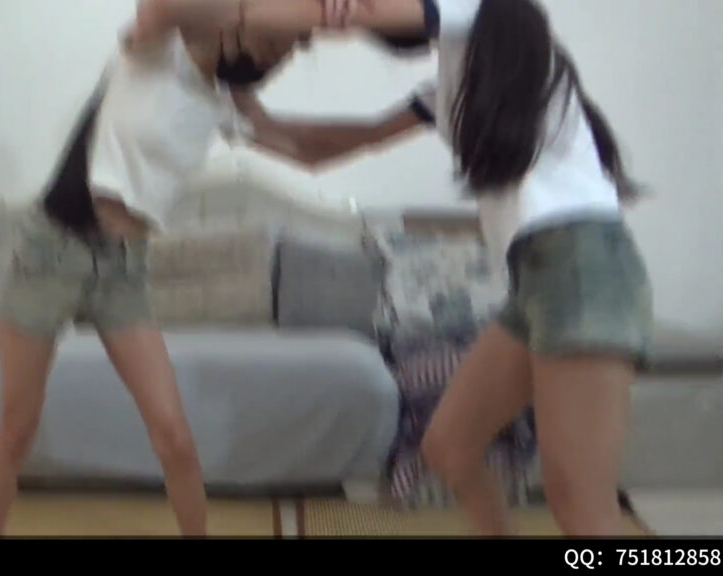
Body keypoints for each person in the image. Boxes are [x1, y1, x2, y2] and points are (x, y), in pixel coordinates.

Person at [138, 0, 652, 536]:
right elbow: (322, 149)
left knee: (581, 508)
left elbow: (351, 13)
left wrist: (213, 14)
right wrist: (235, 110)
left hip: (581, 269)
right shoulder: (452, 85)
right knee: (450, 447)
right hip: (536, 285)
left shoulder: (471, 7)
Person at [0, 9, 304, 536]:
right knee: (17, 429)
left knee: (174, 436)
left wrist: (405, 120)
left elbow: (306, 149)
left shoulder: (221, 103)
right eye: (274, 44)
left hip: (123, 270)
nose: (278, 56)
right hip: (49, 256)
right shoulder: (155, 46)